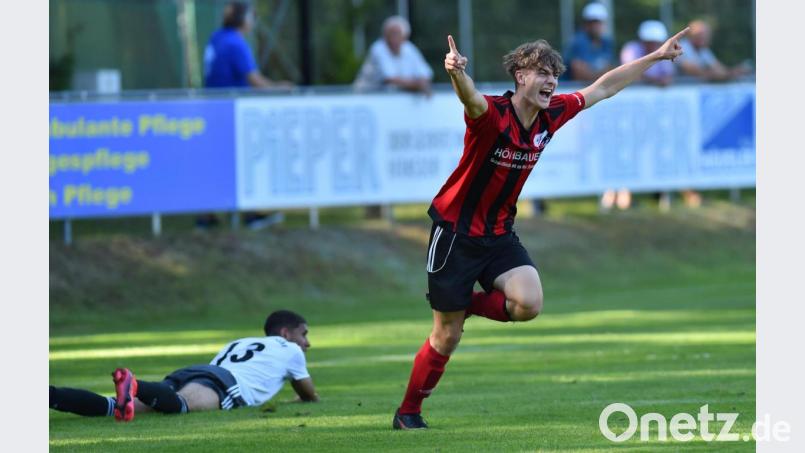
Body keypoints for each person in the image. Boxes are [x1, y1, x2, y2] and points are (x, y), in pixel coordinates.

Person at [392, 28, 690, 430]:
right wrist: (456, 72)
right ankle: (408, 412)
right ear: (520, 76)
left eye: (555, 74)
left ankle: (465, 305)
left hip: (499, 233)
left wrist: (655, 56)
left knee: (528, 303)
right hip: (455, 234)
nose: (552, 81)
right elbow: (470, 98)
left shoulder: (553, 114)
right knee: (447, 335)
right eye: (543, 73)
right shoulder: (492, 114)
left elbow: (603, 88)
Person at [50, 310, 317, 421]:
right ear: (285, 333)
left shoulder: (241, 341)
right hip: (227, 385)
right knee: (181, 405)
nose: (307, 343)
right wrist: (305, 398)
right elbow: (308, 394)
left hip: (196, 373)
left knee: (115, 408)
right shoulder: (291, 349)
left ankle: (50, 395)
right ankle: (136, 385)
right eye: (303, 334)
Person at [198, 1, 289, 230]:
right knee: (240, 161)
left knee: (218, 162)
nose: (253, 22)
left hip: (214, 110)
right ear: (242, 19)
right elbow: (254, 80)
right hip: (230, 113)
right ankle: (248, 215)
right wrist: (279, 88)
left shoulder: (217, 37)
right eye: (250, 16)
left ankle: (208, 215)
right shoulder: (235, 42)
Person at [353, 15, 434, 95]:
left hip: (393, 97)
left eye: (396, 34)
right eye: (390, 34)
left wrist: (421, 83)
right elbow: (389, 79)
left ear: (404, 36)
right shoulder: (378, 48)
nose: (393, 38)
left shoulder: (409, 48)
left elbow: (426, 74)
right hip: (366, 97)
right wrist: (418, 85)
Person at [675, 19, 752, 82]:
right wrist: (729, 74)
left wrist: (733, 72)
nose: (703, 37)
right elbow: (694, 71)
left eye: (705, 34)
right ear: (690, 34)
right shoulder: (681, 47)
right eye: (699, 34)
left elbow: (719, 68)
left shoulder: (703, 50)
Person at [564, 2, 615, 82]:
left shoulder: (607, 42)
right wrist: (601, 77)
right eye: (592, 22)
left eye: (599, 22)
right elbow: (578, 73)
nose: (596, 26)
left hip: (596, 86)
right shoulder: (577, 42)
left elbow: (610, 68)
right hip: (572, 87)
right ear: (586, 24)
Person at [620, 20, 675, 87]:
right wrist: (656, 80)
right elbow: (630, 71)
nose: (653, 45)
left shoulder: (664, 52)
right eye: (649, 42)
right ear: (643, 40)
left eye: (656, 42)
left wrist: (665, 80)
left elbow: (668, 74)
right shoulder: (632, 48)